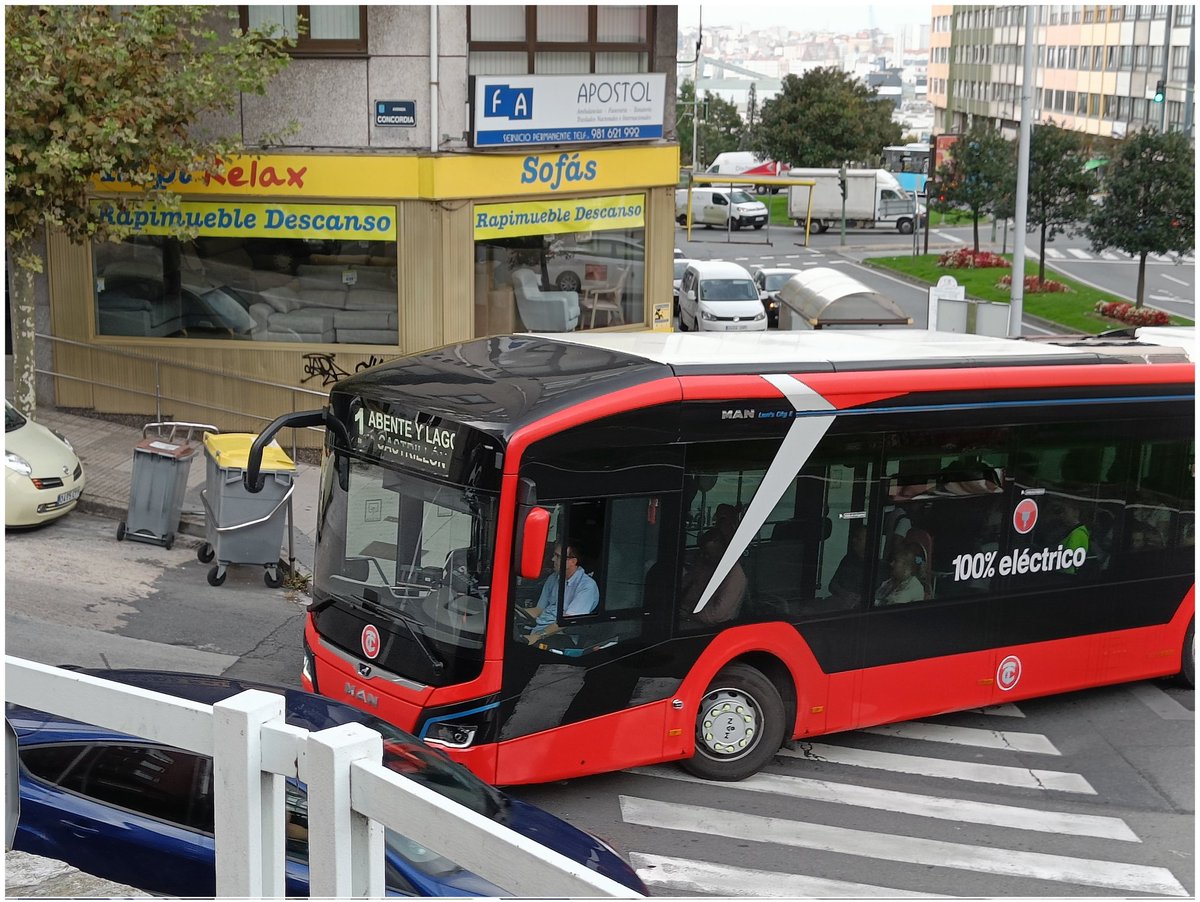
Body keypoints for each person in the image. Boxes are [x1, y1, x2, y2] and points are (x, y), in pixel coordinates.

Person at [522, 542, 599, 644]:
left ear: (573, 561)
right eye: (555, 555)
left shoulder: (587, 586)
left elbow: (567, 621)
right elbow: (538, 610)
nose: (553, 559)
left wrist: (538, 636)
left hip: (561, 636)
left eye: (558, 556)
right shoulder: (553, 578)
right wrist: (512, 614)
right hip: (539, 628)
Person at [679, 528, 746, 625]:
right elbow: (687, 582)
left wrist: (689, 615)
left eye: (709, 554)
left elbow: (717, 614)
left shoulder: (734, 575)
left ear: (721, 551)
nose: (705, 557)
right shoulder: (706, 565)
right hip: (687, 611)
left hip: (709, 625)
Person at [875, 539, 931, 606]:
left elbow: (894, 605)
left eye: (896, 561)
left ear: (908, 568)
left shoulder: (915, 588)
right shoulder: (890, 582)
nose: (891, 564)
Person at [828, 522, 868, 604]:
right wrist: (844, 594)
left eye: (858, 538)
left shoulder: (878, 566)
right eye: (854, 537)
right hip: (836, 601)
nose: (854, 540)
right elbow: (832, 585)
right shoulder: (848, 559)